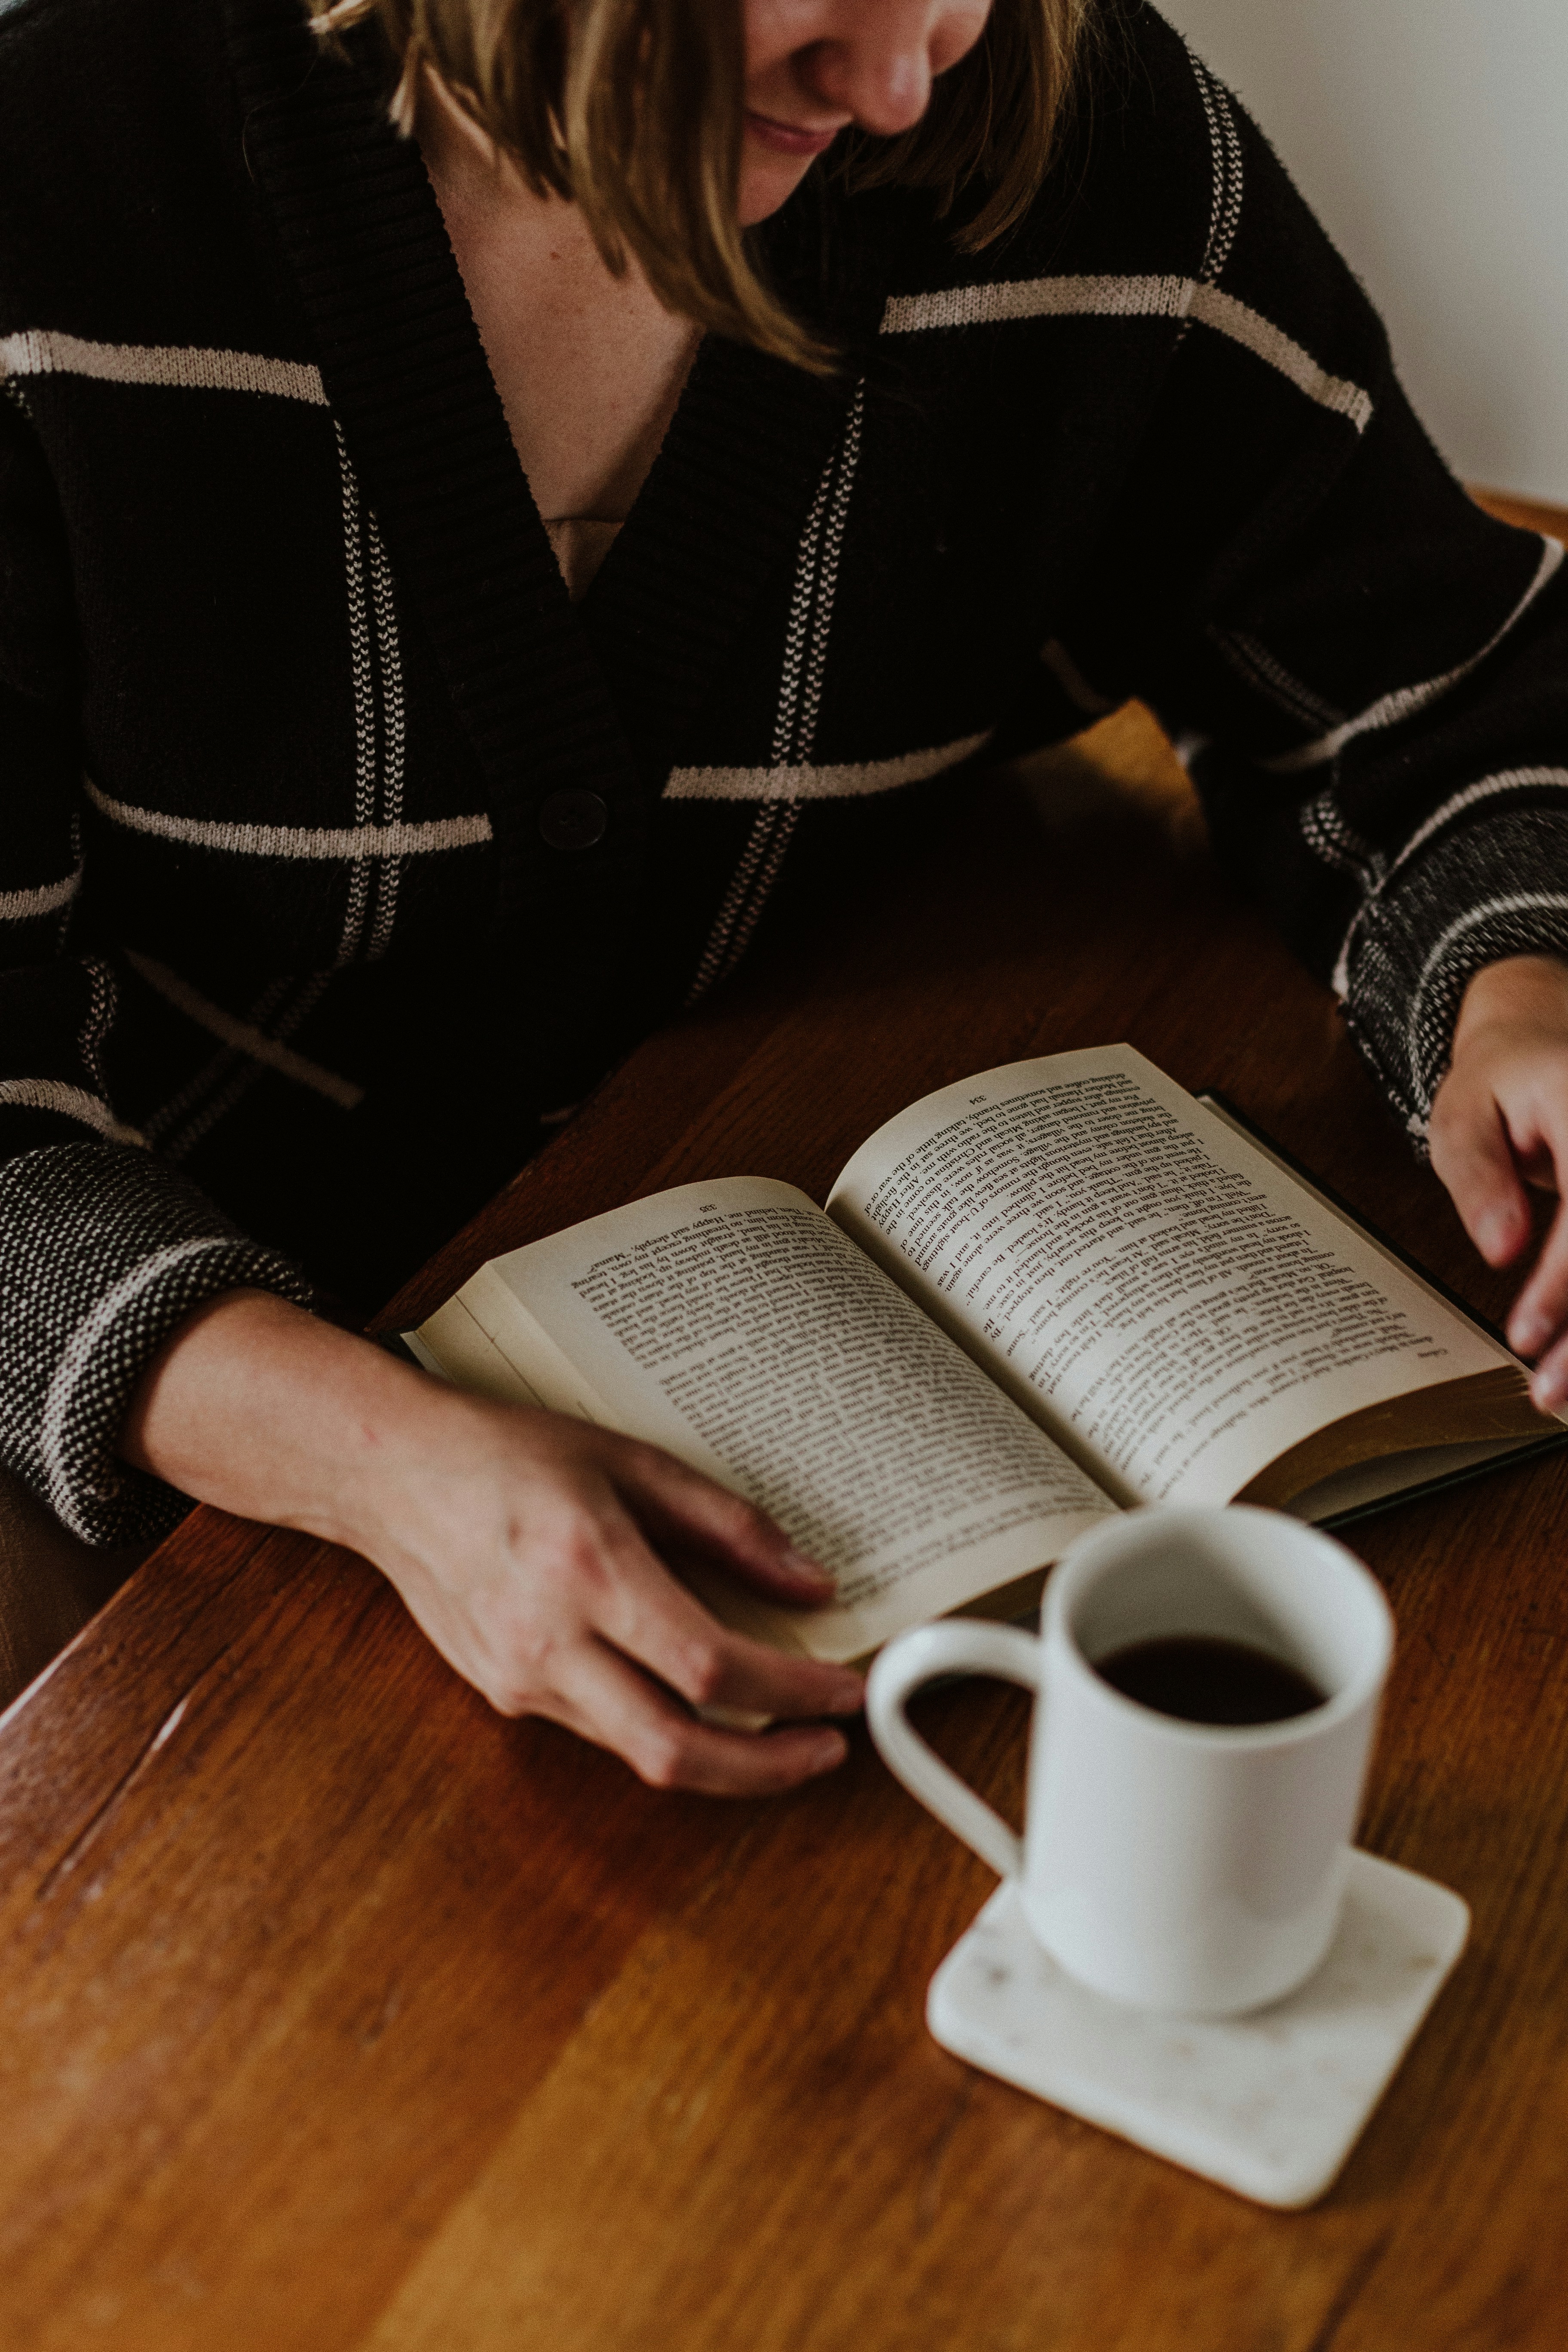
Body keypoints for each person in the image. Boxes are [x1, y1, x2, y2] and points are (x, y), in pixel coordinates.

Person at [2, 0, 1567, 1778]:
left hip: (753, 1324)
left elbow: (1436, 685)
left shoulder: (1067, 128)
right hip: (136, 1433)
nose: (904, 84)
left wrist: (1520, 979)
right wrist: (377, 1459)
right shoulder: (53, 186)